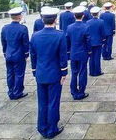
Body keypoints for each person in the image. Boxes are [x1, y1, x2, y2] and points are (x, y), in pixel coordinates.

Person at [30, 7, 67, 139]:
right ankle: (52, 129)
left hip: (40, 73)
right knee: (53, 102)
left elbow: (33, 56)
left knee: (42, 102)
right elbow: (63, 57)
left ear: (42, 19)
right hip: (54, 74)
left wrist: (34, 71)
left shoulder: (35, 36)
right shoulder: (60, 35)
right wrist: (64, 73)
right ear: (55, 20)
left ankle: (42, 126)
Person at [0, 7, 29, 100]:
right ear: (19, 16)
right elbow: (25, 43)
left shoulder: (5, 28)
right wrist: (26, 54)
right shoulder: (23, 28)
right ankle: (17, 92)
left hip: (8, 54)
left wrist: (5, 52)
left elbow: (3, 42)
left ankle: (11, 91)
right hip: (19, 55)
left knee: (10, 73)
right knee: (19, 74)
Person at [66, 6, 91, 100]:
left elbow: (67, 40)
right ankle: (81, 92)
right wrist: (89, 51)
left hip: (73, 53)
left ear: (74, 16)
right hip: (83, 53)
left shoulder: (69, 27)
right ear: (83, 16)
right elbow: (88, 41)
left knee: (74, 73)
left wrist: (68, 51)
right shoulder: (86, 26)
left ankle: (73, 91)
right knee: (82, 72)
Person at [86, 6, 105, 76]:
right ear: (98, 13)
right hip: (98, 42)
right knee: (97, 57)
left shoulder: (88, 22)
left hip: (90, 42)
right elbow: (103, 33)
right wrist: (103, 40)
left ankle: (91, 71)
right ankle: (97, 71)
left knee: (91, 58)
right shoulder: (101, 21)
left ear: (91, 14)